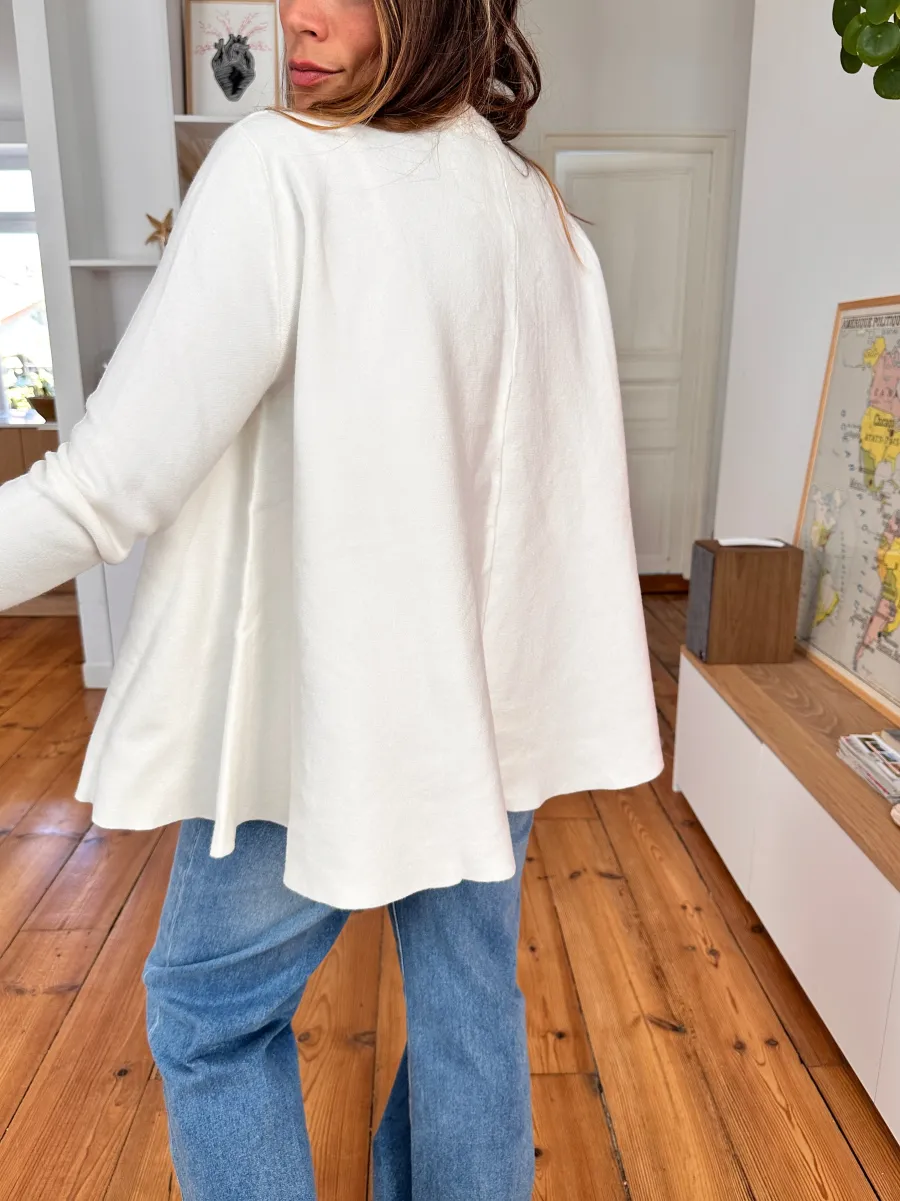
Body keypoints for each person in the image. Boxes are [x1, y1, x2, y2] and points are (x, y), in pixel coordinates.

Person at [0, 1, 663, 1198]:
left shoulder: (283, 167)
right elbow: (549, 503)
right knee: (468, 1006)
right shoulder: (537, 213)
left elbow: (103, 489)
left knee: (209, 1015)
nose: (295, 14)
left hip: (333, 714)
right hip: (495, 712)